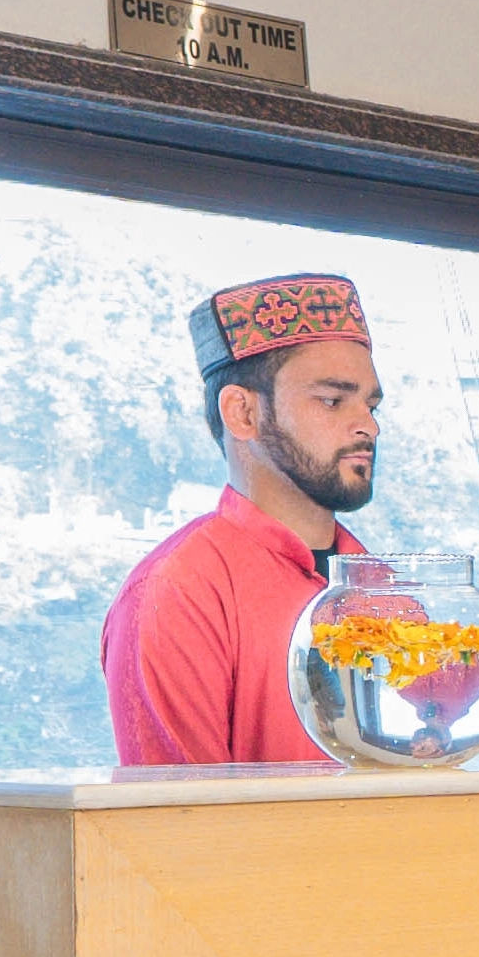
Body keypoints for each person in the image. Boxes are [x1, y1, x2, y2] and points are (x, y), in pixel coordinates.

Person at [98, 270, 378, 767]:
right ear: (242, 413)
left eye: (371, 405)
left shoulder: (376, 583)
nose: (368, 426)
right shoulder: (179, 591)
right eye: (333, 401)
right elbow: (180, 811)